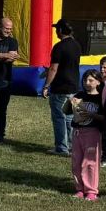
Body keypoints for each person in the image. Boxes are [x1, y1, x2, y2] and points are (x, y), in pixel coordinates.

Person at [41, 18, 82, 155]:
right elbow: (68, 65)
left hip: (60, 88)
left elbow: (54, 68)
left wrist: (46, 85)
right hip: (73, 87)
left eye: (56, 29)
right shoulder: (76, 45)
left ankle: (61, 147)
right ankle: (71, 146)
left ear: (59, 30)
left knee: (59, 117)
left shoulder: (59, 47)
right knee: (70, 117)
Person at [64, 70, 105, 201]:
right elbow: (65, 111)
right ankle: (80, 189)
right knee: (76, 162)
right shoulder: (80, 95)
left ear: (98, 81)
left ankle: (91, 191)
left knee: (90, 163)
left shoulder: (101, 98)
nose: (87, 83)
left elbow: (105, 118)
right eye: (85, 80)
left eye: (91, 80)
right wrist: (70, 102)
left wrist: (92, 115)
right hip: (77, 132)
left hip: (92, 133)